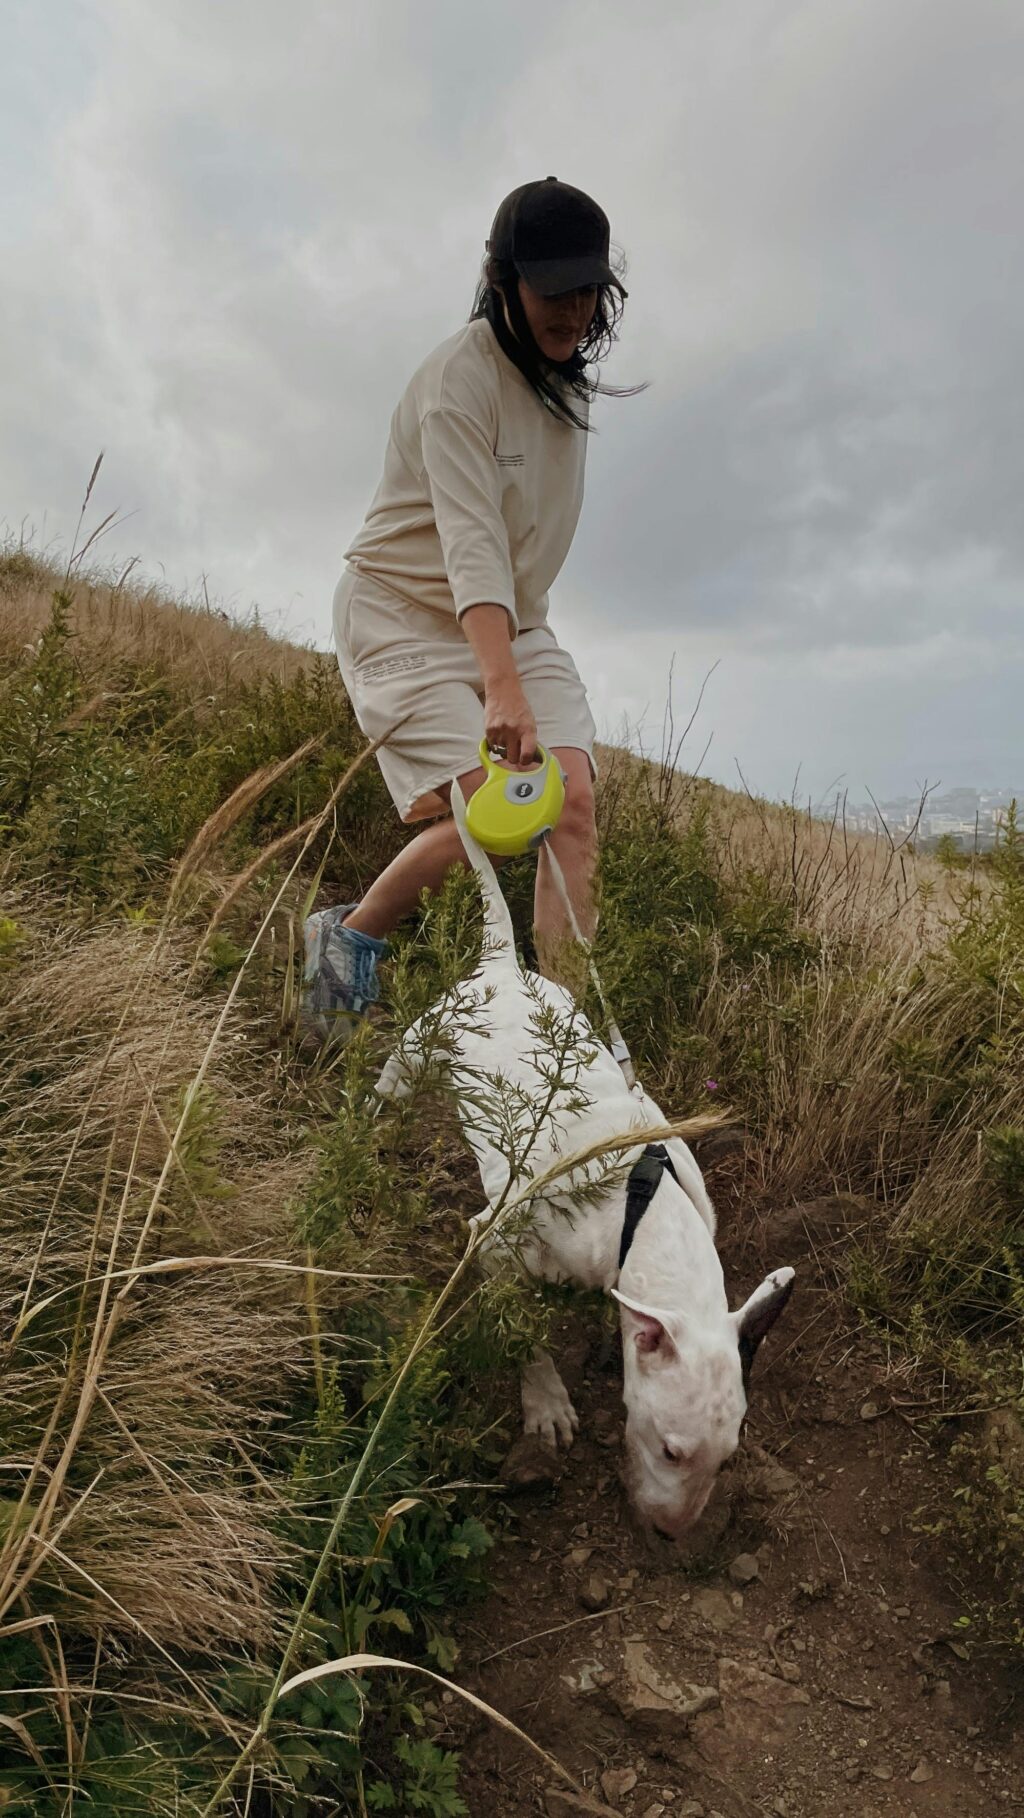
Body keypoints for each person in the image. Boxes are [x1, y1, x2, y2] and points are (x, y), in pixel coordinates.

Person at [302, 176, 640, 1042]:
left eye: (585, 289)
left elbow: (519, 550)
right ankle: (343, 948)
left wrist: (515, 664)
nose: (571, 310)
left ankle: (568, 1055)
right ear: (502, 283)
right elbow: (471, 543)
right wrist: (503, 688)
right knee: (493, 818)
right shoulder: (459, 380)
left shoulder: (563, 387)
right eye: (549, 289)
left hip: (514, 620)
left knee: (566, 805)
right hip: (403, 612)